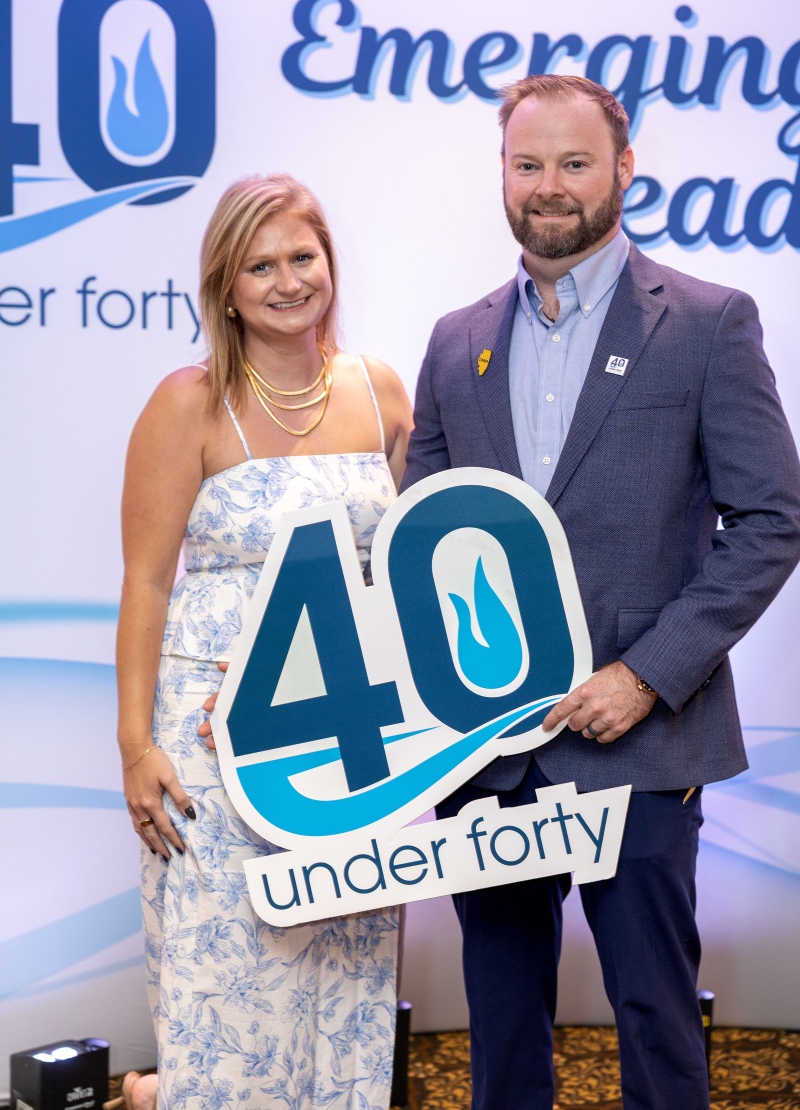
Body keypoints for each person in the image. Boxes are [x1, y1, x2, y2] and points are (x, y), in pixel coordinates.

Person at [401, 74, 800, 1110]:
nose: (549, 186)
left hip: (643, 741)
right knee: (500, 1034)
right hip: (484, 752)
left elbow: (771, 521)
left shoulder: (708, 323)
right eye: (527, 163)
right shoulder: (453, 340)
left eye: (574, 163)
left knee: (655, 1022)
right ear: (501, 174)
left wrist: (645, 675)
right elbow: (420, 543)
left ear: (623, 169)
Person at [117, 173, 413, 1110]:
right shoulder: (188, 403)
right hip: (211, 750)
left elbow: (399, 575)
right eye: (260, 266)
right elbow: (146, 583)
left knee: (346, 976)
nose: (288, 282)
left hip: (352, 741)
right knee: (228, 991)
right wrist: (136, 746)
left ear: (329, 262)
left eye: (303, 257)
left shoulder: (381, 391)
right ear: (225, 286)